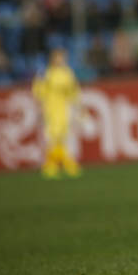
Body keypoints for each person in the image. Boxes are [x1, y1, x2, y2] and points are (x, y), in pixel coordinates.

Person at [32, 48, 82, 179]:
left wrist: (77, 106)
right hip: (50, 109)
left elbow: (73, 91)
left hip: (64, 109)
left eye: (63, 57)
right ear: (52, 59)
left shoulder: (67, 73)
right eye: (58, 57)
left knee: (63, 137)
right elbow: (38, 91)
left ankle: (55, 164)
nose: (61, 60)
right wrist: (41, 107)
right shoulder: (46, 73)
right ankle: (59, 164)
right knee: (52, 138)